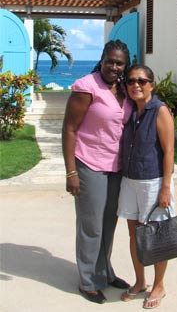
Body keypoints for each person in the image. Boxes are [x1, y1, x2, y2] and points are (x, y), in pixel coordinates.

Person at [62, 39, 133, 304]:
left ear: (125, 66)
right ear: (102, 59)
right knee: (91, 226)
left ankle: (105, 272)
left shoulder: (123, 89)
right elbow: (69, 129)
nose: (114, 67)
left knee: (108, 224)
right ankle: (88, 281)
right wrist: (71, 173)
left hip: (116, 167)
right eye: (110, 61)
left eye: (119, 63)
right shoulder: (86, 87)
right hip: (89, 163)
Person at [117, 64, 175, 310]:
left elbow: (169, 150)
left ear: (152, 84)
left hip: (153, 181)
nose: (136, 85)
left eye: (142, 80)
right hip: (129, 180)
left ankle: (158, 284)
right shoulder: (129, 109)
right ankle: (140, 281)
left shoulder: (159, 110)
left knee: (156, 236)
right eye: (131, 81)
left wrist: (165, 187)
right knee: (134, 234)